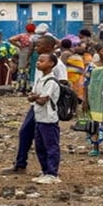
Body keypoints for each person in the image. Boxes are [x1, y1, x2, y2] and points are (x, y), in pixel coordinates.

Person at [26, 52, 63, 184]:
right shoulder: (40, 79)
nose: (38, 63)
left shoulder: (51, 81)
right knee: (40, 146)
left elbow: (42, 100)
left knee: (51, 146)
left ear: (51, 64)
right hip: (39, 117)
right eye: (38, 61)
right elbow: (33, 96)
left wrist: (35, 97)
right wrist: (36, 97)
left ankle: (52, 173)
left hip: (49, 119)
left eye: (42, 61)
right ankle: (45, 170)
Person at [9, 23, 36, 93]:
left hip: (23, 52)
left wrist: (19, 46)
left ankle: (21, 86)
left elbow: (11, 39)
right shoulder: (36, 36)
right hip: (34, 53)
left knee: (22, 69)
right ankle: (30, 86)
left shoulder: (22, 36)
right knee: (31, 69)